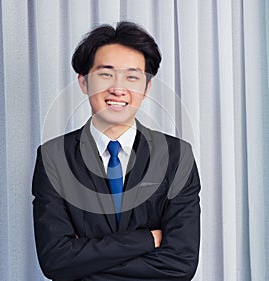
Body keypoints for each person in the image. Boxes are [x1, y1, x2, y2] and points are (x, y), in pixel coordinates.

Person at [32, 21, 201, 281]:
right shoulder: (54, 157)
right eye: (106, 74)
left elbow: (180, 265)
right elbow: (56, 261)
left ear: (146, 89)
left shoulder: (177, 156)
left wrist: (85, 260)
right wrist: (147, 239)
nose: (118, 89)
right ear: (84, 82)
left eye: (132, 77)